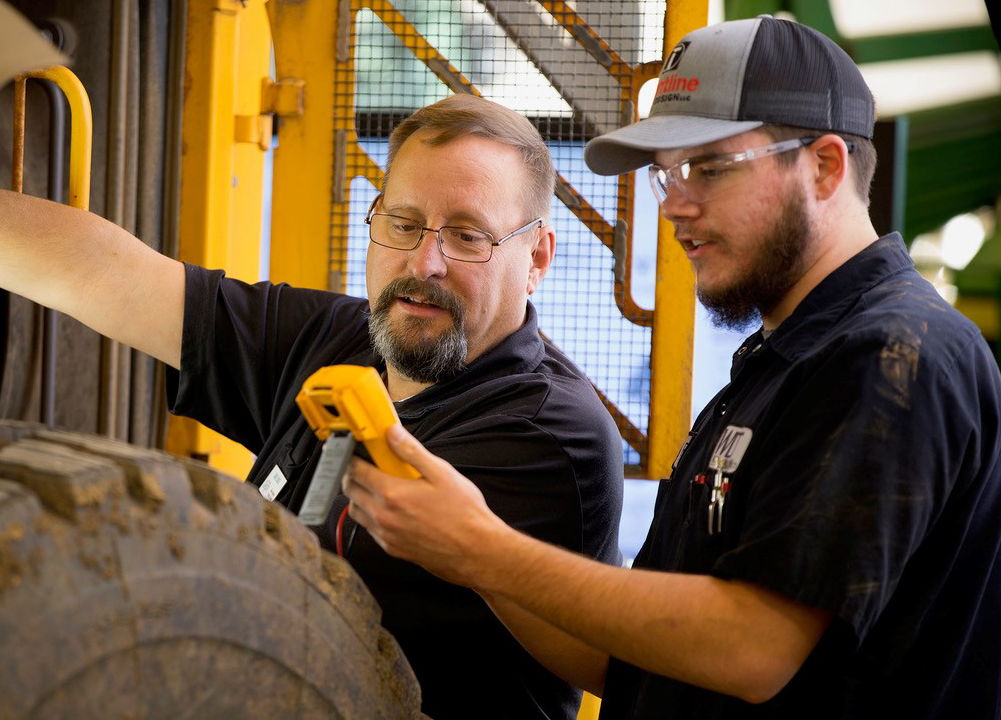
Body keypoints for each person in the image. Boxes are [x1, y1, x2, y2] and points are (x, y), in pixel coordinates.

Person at [343, 15, 1001, 719]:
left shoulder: (894, 355)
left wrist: (483, 549)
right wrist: (464, 549)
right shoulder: (778, 365)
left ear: (825, 166)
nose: (677, 206)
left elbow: (754, 648)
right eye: (668, 176)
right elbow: (622, 659)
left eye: (710, 167)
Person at [0, 93, 625, 718]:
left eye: (467, 236)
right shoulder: (343, 336)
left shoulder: (548, 434)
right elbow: (106, 273)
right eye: (402, 223)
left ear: (536, 260)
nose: (423, 263)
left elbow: (311, 627)